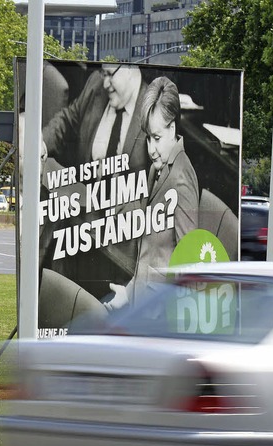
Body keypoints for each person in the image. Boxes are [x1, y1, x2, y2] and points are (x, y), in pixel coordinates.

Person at [38, 63, 151, 300]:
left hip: (121, 233)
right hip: (82, 213)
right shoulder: (95, 85)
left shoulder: (152, 107)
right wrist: (42, 142)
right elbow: (68, 119)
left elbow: (154, 187)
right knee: (54, 206)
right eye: (103, 73)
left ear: (131, 70)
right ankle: (45, 292)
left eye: (111, 75)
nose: (106, 82)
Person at [105, 76, 200, 309]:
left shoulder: (181, 179)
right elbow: (153, 256)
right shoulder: (155, 171)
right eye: (148, 138)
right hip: (143, 309)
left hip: (160, 317)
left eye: (157, 138)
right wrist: (128, 294)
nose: (151, 150)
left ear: (173, 128)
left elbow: (189, 268)